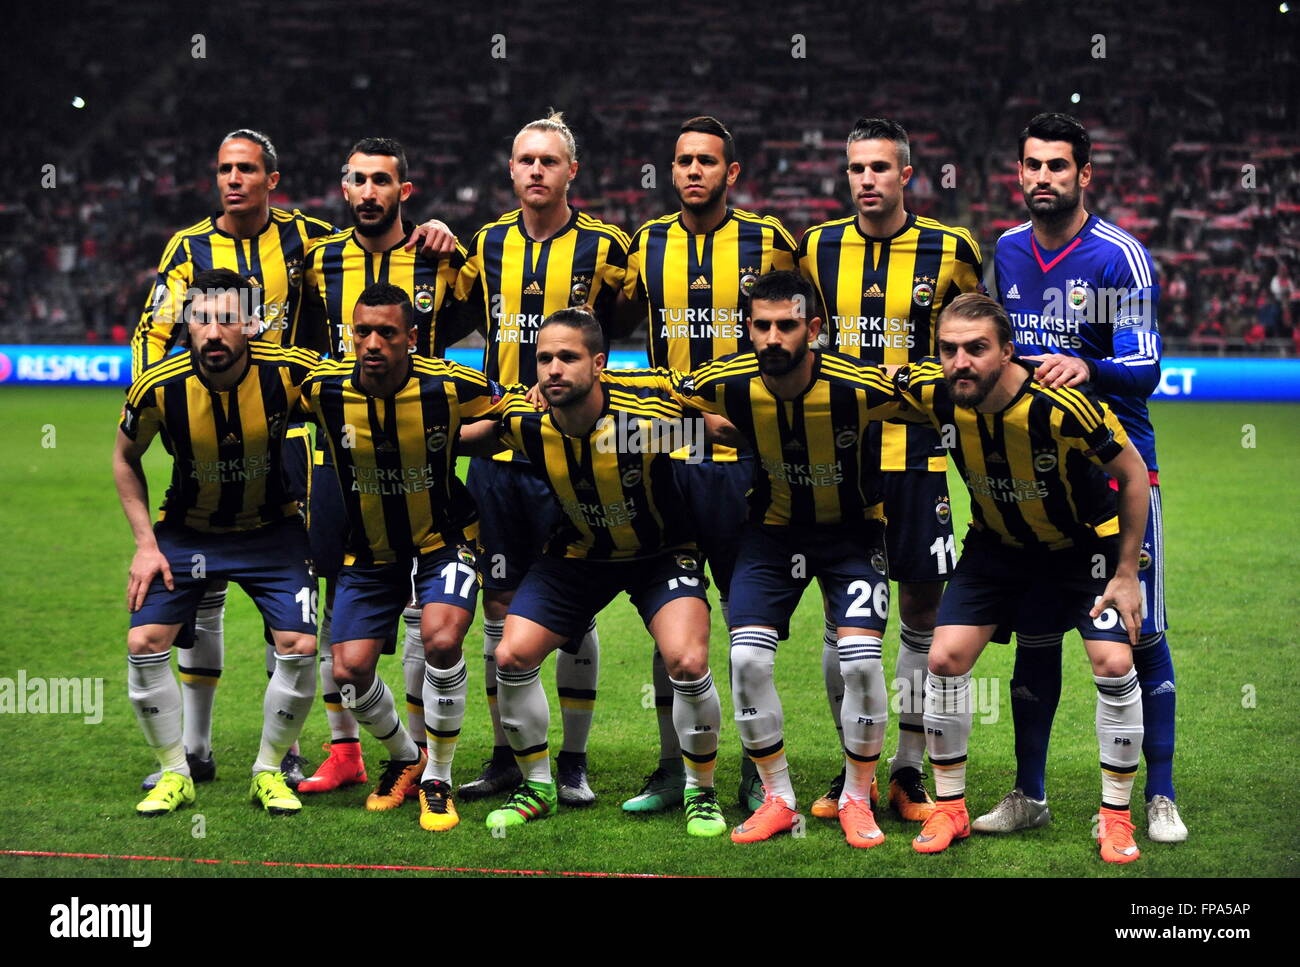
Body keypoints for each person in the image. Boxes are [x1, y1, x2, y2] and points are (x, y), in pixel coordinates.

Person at [985, 112, 1185, 842]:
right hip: (1031, 478)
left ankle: (1159, 795)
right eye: (1032, 165)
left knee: (1138, 631)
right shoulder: (1004, 252)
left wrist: (1088, 367)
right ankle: (1028, 793)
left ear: (1085, 175)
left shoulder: (1118, 258)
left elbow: (1146, 369)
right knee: (1036, 632)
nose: (1043, 178)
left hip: (1114, 473)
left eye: (1057, 166)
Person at [894, 293, 1149, 864]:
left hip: (1081, 548)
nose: (961, 362)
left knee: (1114, 664)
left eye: (977, 349)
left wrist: (1127, 572)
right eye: (949, 349)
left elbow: (1131, 473)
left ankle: (1116, 818)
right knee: (943, 658)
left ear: (1008, 351)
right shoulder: (932, 392)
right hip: (997, 548)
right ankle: (951, 810)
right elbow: (863, 390)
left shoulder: (1061, 405)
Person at [461, 308, 727, 837]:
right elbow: (465, 438)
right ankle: (537, 787)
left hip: (659, 555)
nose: (553, 369)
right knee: (510, 654)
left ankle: (701, 792)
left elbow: (719, 435)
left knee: (687, 659)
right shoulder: (526, 422)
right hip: (577, 556)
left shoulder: (645, 420)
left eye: (568, 357)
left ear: (599, 364)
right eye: (544, 359)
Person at [673, 271, 913, 847]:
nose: (773, 337)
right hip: (771, 536)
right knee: (747, 662)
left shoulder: (859, 387)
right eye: (762, 326)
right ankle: (778, 797)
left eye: (786, 325)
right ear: (748, 329)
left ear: (814, 329)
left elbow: (935, 401)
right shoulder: (725, 382)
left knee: (858, 662)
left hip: (854, 533)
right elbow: (658, 395)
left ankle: (858, 797)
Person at [130, 129, 334, 791]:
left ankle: (291, 747)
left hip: (285, 434)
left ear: (272, 177)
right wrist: (163, 408)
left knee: (289, 601)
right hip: (201, 430)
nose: (233, 179)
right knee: (204, 599)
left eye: (246, 168)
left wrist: (434, 230)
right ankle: (196, 746)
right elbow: (154, 329)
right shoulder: (187, 248)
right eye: (224, 169)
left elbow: (369, 258)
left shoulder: (307, 237)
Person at [798, 118, 983, 823]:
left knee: (921, 613)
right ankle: (856, 771)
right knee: (842, 619)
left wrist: (926, 372)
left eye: (880, 168)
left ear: (906, 174)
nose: (867, 180)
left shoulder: (952, 249)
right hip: (838, 459)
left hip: (917, 459)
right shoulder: (815, 247)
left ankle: (906, 771)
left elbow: (974, 341)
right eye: (856, 169)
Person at [620, 115, 797, 815]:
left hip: (746, 461)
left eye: (708, 161)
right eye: (683, 160)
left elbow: (800, 330)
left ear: (733, 173)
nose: (694, 171)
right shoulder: (647, 242)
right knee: (674, 620)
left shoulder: (771, 240)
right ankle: (674, 767)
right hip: (667, 458)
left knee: (745, 619)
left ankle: (759, 767)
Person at [452, 112, 629, 806]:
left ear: (570, 172)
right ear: (511, 169)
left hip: (573, 458)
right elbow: (443, 317)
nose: (535, 171)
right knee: (500, 603)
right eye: (524, 160)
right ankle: (507, 752)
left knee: (575, 605)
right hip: (500, 452)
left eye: (548, 161)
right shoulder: (485, 244)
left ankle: (575, 760)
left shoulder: (607, 248)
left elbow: (625, 326)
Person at [297, 282, 519, 831]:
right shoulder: (321, 389)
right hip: (369, 550)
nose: (372, 343)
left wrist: (459, 440)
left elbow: (511, 410)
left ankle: (438, 777)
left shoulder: (451, 385)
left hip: (445, 541)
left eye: (387, 333)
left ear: (412, 339)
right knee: (348, 672)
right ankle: (405, 756)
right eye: (363, 332)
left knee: (442, 640)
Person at [294, 137, 470, 795]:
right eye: (358, 181)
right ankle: (346, 751)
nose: (369, 192)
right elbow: (296, 344)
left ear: (405, 190)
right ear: (344, 189)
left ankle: (426, 756)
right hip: (341, 466)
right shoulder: (316, 263)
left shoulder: (436, 256)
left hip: (423, 462)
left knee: (430, 618)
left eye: (382, 181)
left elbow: (483, 319)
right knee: (339, 613)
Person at [115, 269, 320, 816]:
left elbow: (362, 391)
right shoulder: (159, 385)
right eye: (200, 318)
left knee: (299, 648)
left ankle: (269, 771)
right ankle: (175, 772)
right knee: (143, 643)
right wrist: (144, 545)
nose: (211, 331)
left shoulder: (290, 374)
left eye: (226, 318)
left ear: (252, 323)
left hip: (271, 531)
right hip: (188, 531)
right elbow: (124, 458)